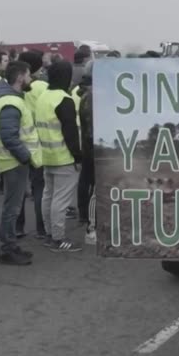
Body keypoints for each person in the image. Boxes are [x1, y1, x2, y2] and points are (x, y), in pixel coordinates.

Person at [0, 61, 39, 264]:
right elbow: (9, 137)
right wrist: (25, 157)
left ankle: (10, 245)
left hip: (12, 162)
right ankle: (7, 249)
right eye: (28, 75)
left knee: (13, 206)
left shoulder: (11, 99)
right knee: (12, 208)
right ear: (20, 77)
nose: (31, 79)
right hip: (13, 163)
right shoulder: (10, 102)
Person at [35, 59, 84, 252]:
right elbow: (70, 133)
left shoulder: (43, 96)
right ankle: (58, 238)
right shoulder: (64, 99)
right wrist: (78, 157)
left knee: (48, 196)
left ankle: (48, 234)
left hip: (46, 155)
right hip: (64, 157)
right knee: (61, 201)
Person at [16, 50, 49, 239]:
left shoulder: (15, 86)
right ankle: (41, 228)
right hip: (38, 141)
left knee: (18, 188)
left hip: (18, 140)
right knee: (39, 187)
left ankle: (18, 226)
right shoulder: (42, 86)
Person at [76, 60, 97, 242]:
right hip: (92, 147)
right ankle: (90, 222)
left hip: (88, 146)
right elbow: (91, 127)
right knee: (94, 186)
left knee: (86, 180)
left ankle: (85, 215)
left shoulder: (87, 95)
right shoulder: (91, 97)